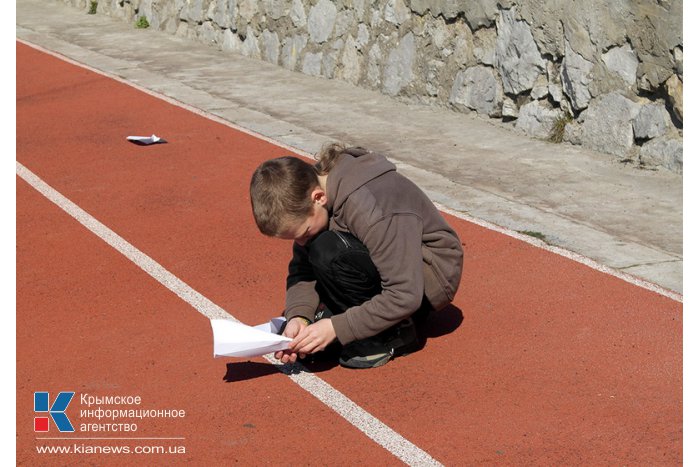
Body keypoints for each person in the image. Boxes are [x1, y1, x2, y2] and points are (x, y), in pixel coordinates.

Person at [249, 143, 463, 369]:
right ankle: (357, 320)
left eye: (304, 233)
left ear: (318, 197)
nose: (300, 243)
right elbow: (302, 271)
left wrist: (336, 328)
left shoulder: (372, 208)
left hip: (427, 279)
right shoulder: (310, 195)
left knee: (326, 249)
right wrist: (300, 317)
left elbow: (405, 293)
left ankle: (398, 330)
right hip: (378, 264)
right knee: (313, 337)